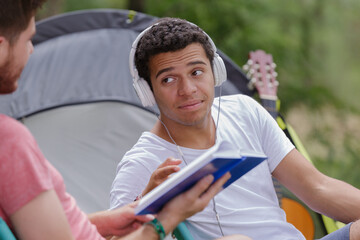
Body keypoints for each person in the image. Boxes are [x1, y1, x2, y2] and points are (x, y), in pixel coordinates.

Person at [0, 1, 239, 240]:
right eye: (28, 39)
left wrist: (111, 220)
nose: (31, 49)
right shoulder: (8, 140)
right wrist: (168, 217)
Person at [110, 17, 360, 240]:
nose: (187, 89)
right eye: (168, 79)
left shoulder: (244, 112)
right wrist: (146, 202)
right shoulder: (141, 163)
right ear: (147, 91)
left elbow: (318, 188)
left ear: (215, 72)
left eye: (196, 72)